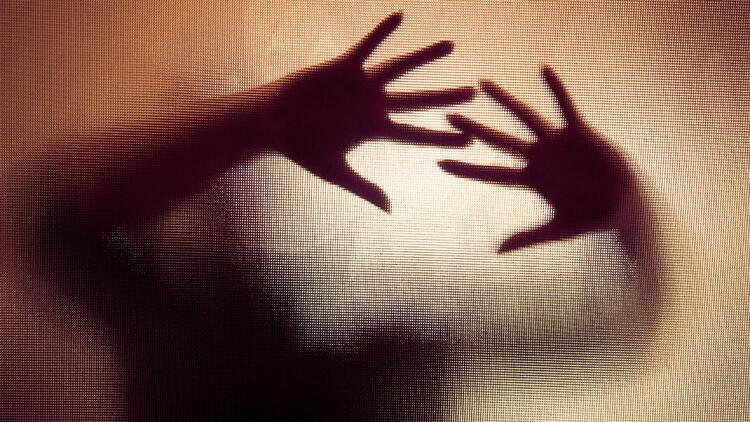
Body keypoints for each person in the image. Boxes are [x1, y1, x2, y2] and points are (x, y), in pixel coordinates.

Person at [0, 11, 664, 421]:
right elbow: (62, 225)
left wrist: (252, 129)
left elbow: (63, 226)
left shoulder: (190, 341)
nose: (244, 209)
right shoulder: (193, 333)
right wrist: (621, 217)